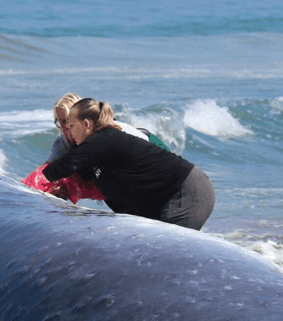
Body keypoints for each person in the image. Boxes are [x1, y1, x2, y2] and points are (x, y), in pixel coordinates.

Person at [42, 98, 215, 230]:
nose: (66, 130)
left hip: (185, 193)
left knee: (165, 253)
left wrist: (30, 187)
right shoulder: (85, 152)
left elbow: (55, 170)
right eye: (60, 122)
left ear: (85, 123)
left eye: (70, 124)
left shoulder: (108, 136)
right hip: (163, 201)